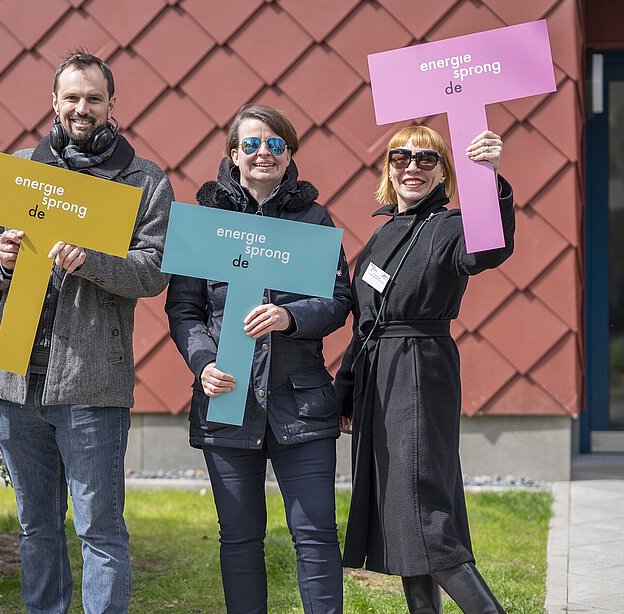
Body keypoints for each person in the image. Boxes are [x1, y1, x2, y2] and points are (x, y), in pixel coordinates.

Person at [0, 51, 173, 614]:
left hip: (90, 383)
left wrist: (96, 259)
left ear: (112, 105)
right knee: (36, 527)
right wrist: (2, 256)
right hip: (15, 379)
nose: (82, 108)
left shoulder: (145, 180)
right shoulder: (17, 170)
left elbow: (153, 272)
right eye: (72, 97)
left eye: (93, 98)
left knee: (100, 531)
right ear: (53, 103)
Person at [165, 103, 352, 614]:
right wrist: (203, 362)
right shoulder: (205, 221)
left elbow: (340, 300)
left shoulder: (313, 218)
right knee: (240, 538)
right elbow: (184, 309)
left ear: (289, 154)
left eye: (275, 144)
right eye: (251, 144)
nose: (263, 153)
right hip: (228, 400)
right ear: (233, 153)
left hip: (302, 404)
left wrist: (290, 318)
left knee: (316, 536)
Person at [335, 125, 514, 613]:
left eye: (425, 159)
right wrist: (347, 391)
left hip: (418, 370)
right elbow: (364, 324)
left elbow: (487, 249)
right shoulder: (379, 236)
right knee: (399, 513)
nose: (411, 167)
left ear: (444, 172)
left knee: (423, 511)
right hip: (379, 378)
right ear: (388, 169)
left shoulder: (451, 226)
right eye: (400, 158)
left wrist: (490, 180)